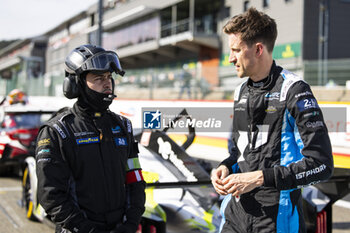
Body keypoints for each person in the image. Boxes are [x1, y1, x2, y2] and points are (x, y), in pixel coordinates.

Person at [211, 8, 333, 233]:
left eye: (236, 50)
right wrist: (224, 167)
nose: (230, 58)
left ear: (258, 49)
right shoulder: (240, 92)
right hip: (236, 213)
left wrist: (258, 178)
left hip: (277, 216)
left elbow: (321, 165)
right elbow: (239, 154)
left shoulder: (294, 91)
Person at [36, 44, 146, 233]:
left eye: (109, 77)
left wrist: (131, 223)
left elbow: (135, 178)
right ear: (77, 84)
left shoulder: (123, 126)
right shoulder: (58, 131)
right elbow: (51, 196)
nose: (107, 83)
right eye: (98, 78)